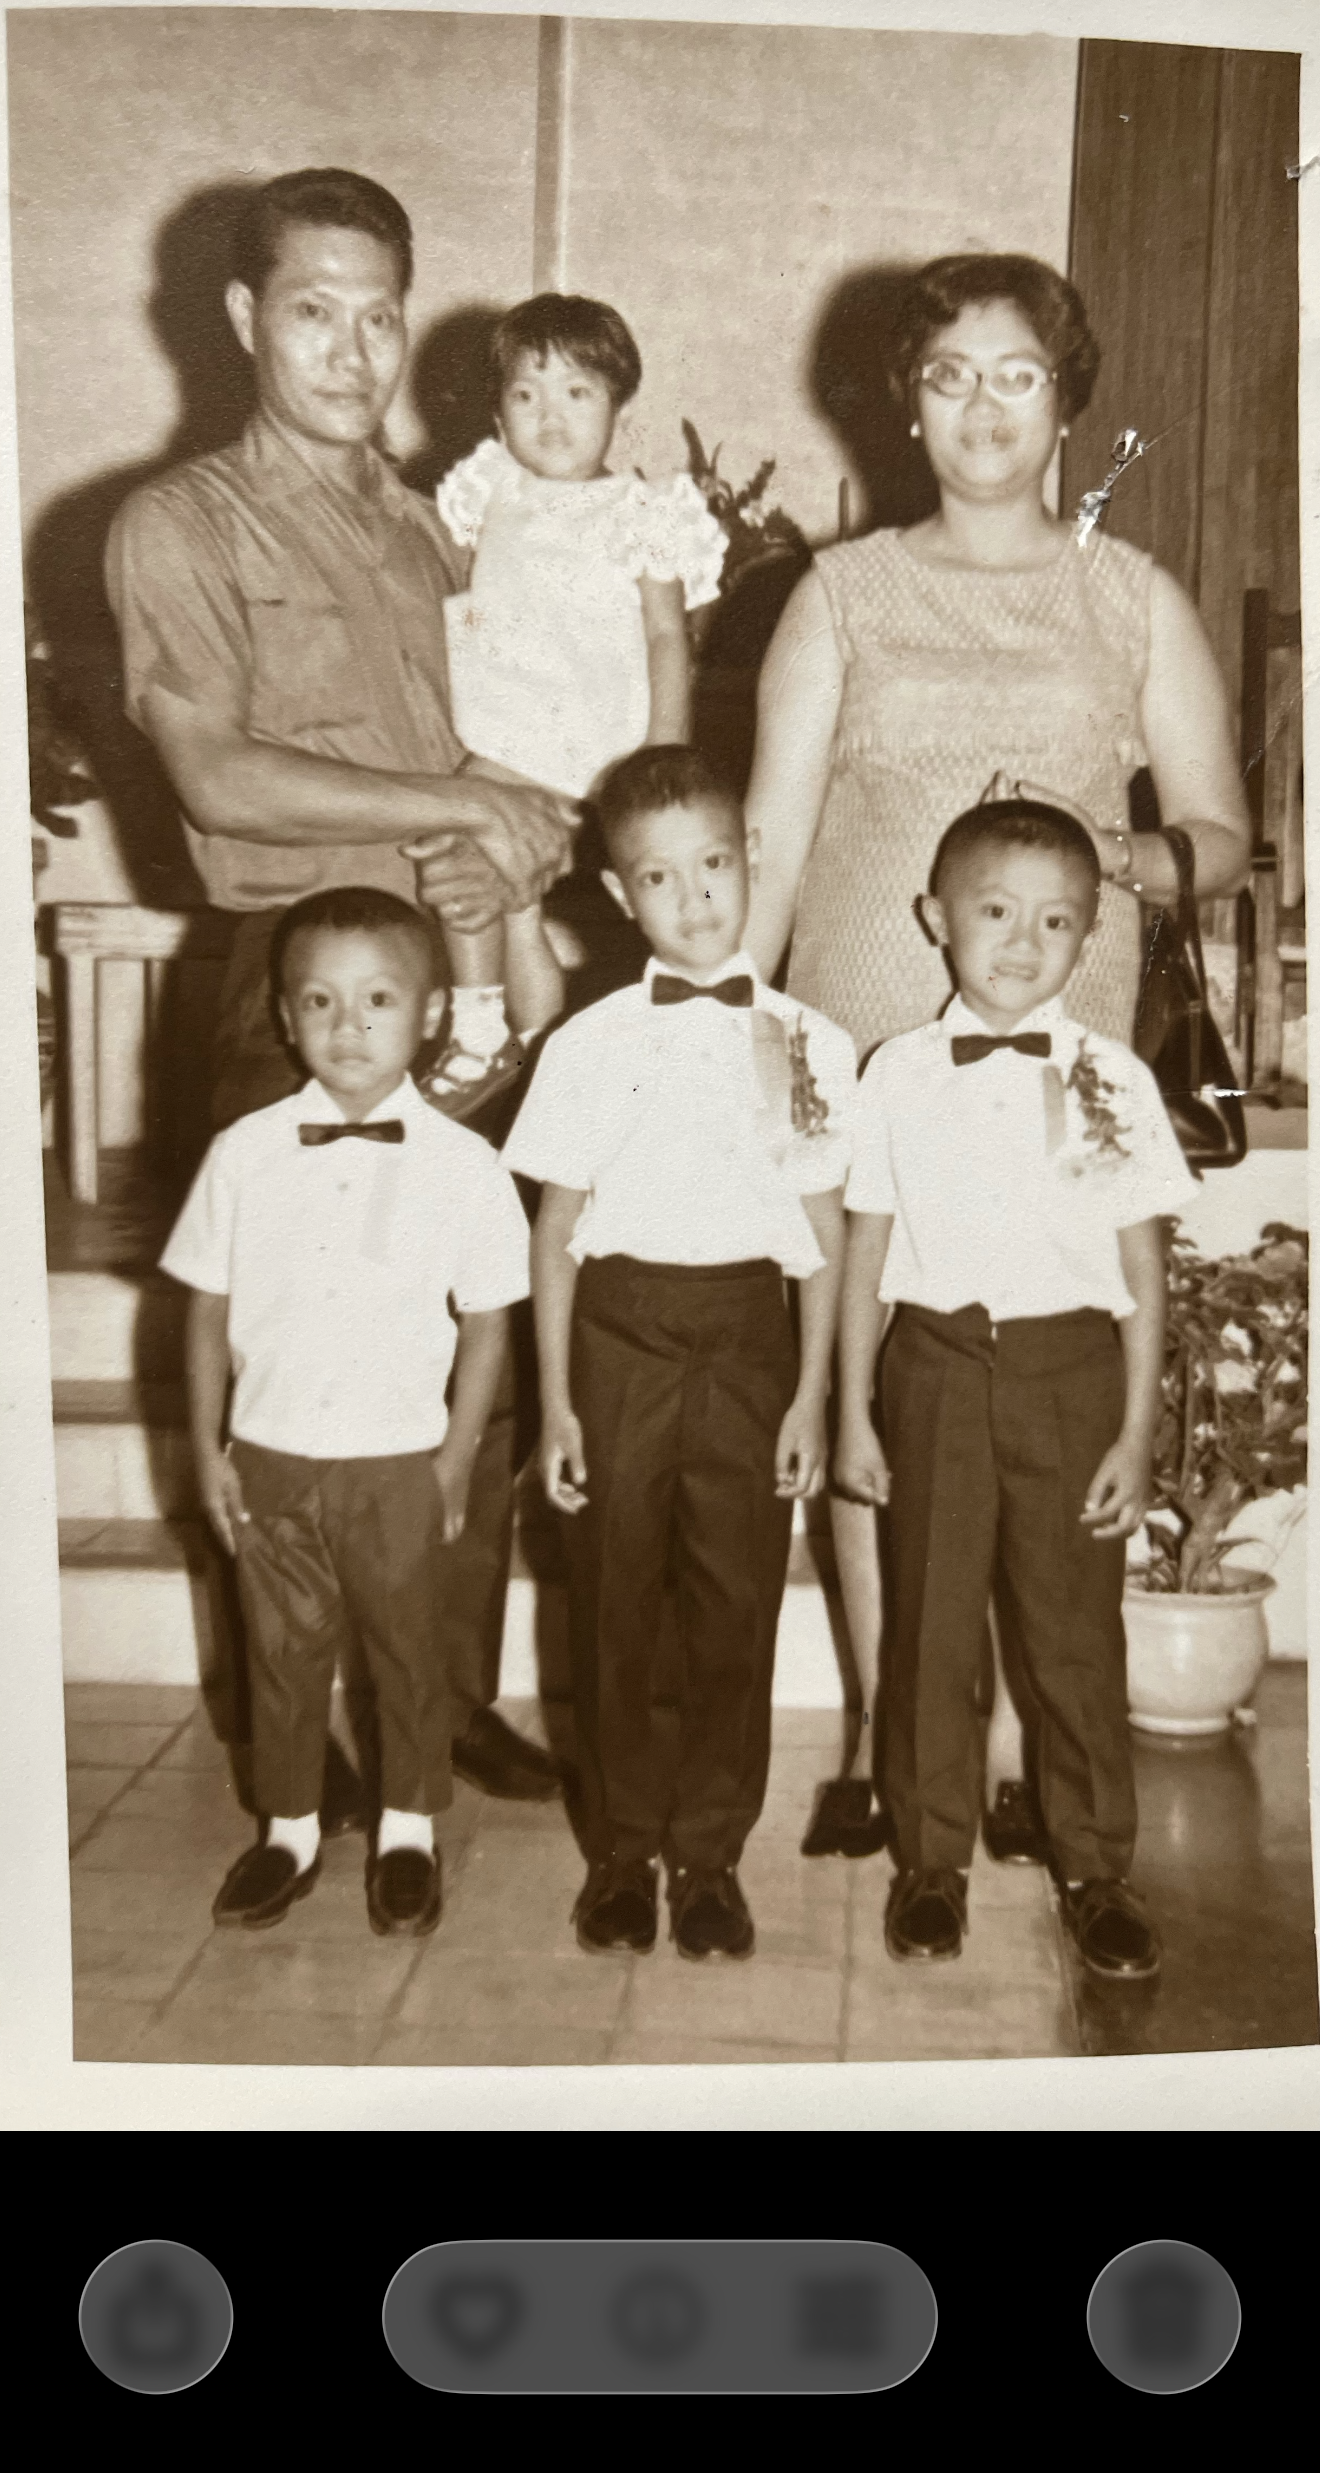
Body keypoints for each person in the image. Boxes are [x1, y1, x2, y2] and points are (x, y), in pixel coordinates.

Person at [744, 252, 1251, 1861]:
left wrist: (1112, 860)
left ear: (1066, 400)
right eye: (949, 374)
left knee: (1037, 1403)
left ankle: (1023, 1758)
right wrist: (725, 1027)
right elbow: (770, 842)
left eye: (1016, 373)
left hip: (1057, 1067)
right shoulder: (839, 596)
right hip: (857, 1049)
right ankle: (890, 1747)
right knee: (880, 1393)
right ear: (907, 402)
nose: (982, 405)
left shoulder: (1133, 595)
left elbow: (1225, 836)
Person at [105, 166, 574, 1809]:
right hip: (291, 985)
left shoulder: (436, 525)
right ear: (246, 318)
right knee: (296, 1365)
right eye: (316, 312)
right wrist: (459, 805)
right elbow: (220, 777)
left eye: (383, 317)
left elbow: (493, 747)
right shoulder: (179, 523)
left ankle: (443, 1698)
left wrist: (514, 852)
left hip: (455, 967)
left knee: (467, 1347)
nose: (355, 351)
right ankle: (293, 1732)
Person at [502, 745, 856, 1961]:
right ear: (618, 895)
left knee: (734, 1603)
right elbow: (553, 1232)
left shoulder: (810, 1042)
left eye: (713, 864)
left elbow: (823, 1234)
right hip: (618, 1335)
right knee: (612, 1600)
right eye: (660, 877)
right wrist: (557, 1403)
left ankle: (709, 1855)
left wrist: (810, 1396)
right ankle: (620, 1850)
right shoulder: (588, 1042)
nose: (695, 898)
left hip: (752, 1339)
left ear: (751, 857)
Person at [835, 799, 1196, 1978]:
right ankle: (930, 1863)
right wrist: (852, 1410)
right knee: (929, 1631)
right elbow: (866, 1248)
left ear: (1090, 936)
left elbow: (1142, 1269)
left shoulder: (1109, 1078)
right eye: (996, 911)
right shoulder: (893, 1073)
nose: (1024, 943)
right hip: (933, 1369)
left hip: (1069, 1376)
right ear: (935, 917)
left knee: (1073, 1638)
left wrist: (1135, 1431)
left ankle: (1095, 1871)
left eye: (1056, 921)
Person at [160, 889, 532, 1935]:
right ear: (284, 1017)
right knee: (281, 1656)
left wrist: (455, 1461)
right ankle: (287, 1833)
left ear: (433, 1013)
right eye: (319, 1001)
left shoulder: (466, 1167)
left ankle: (407, 1833)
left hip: (397, 1460)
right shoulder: (242, 1153)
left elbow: (491, 1326)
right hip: (270, 1454)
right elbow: (205, 1309)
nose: (349, 1025)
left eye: (378, 999)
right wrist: (208, 1449)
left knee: (409, 1652)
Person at [428, 293, 727, 1110]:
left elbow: (667, 636)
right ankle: (489, 1029)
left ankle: (556, 1046)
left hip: (601, 744)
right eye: (526, 395)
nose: (550, 415)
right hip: (507, 734)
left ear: (619, 413)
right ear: (498, 415)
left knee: (562, 876)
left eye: (576, 392)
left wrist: (663, 752)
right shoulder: (490, 490)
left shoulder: (642, 511)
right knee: (472, 856)